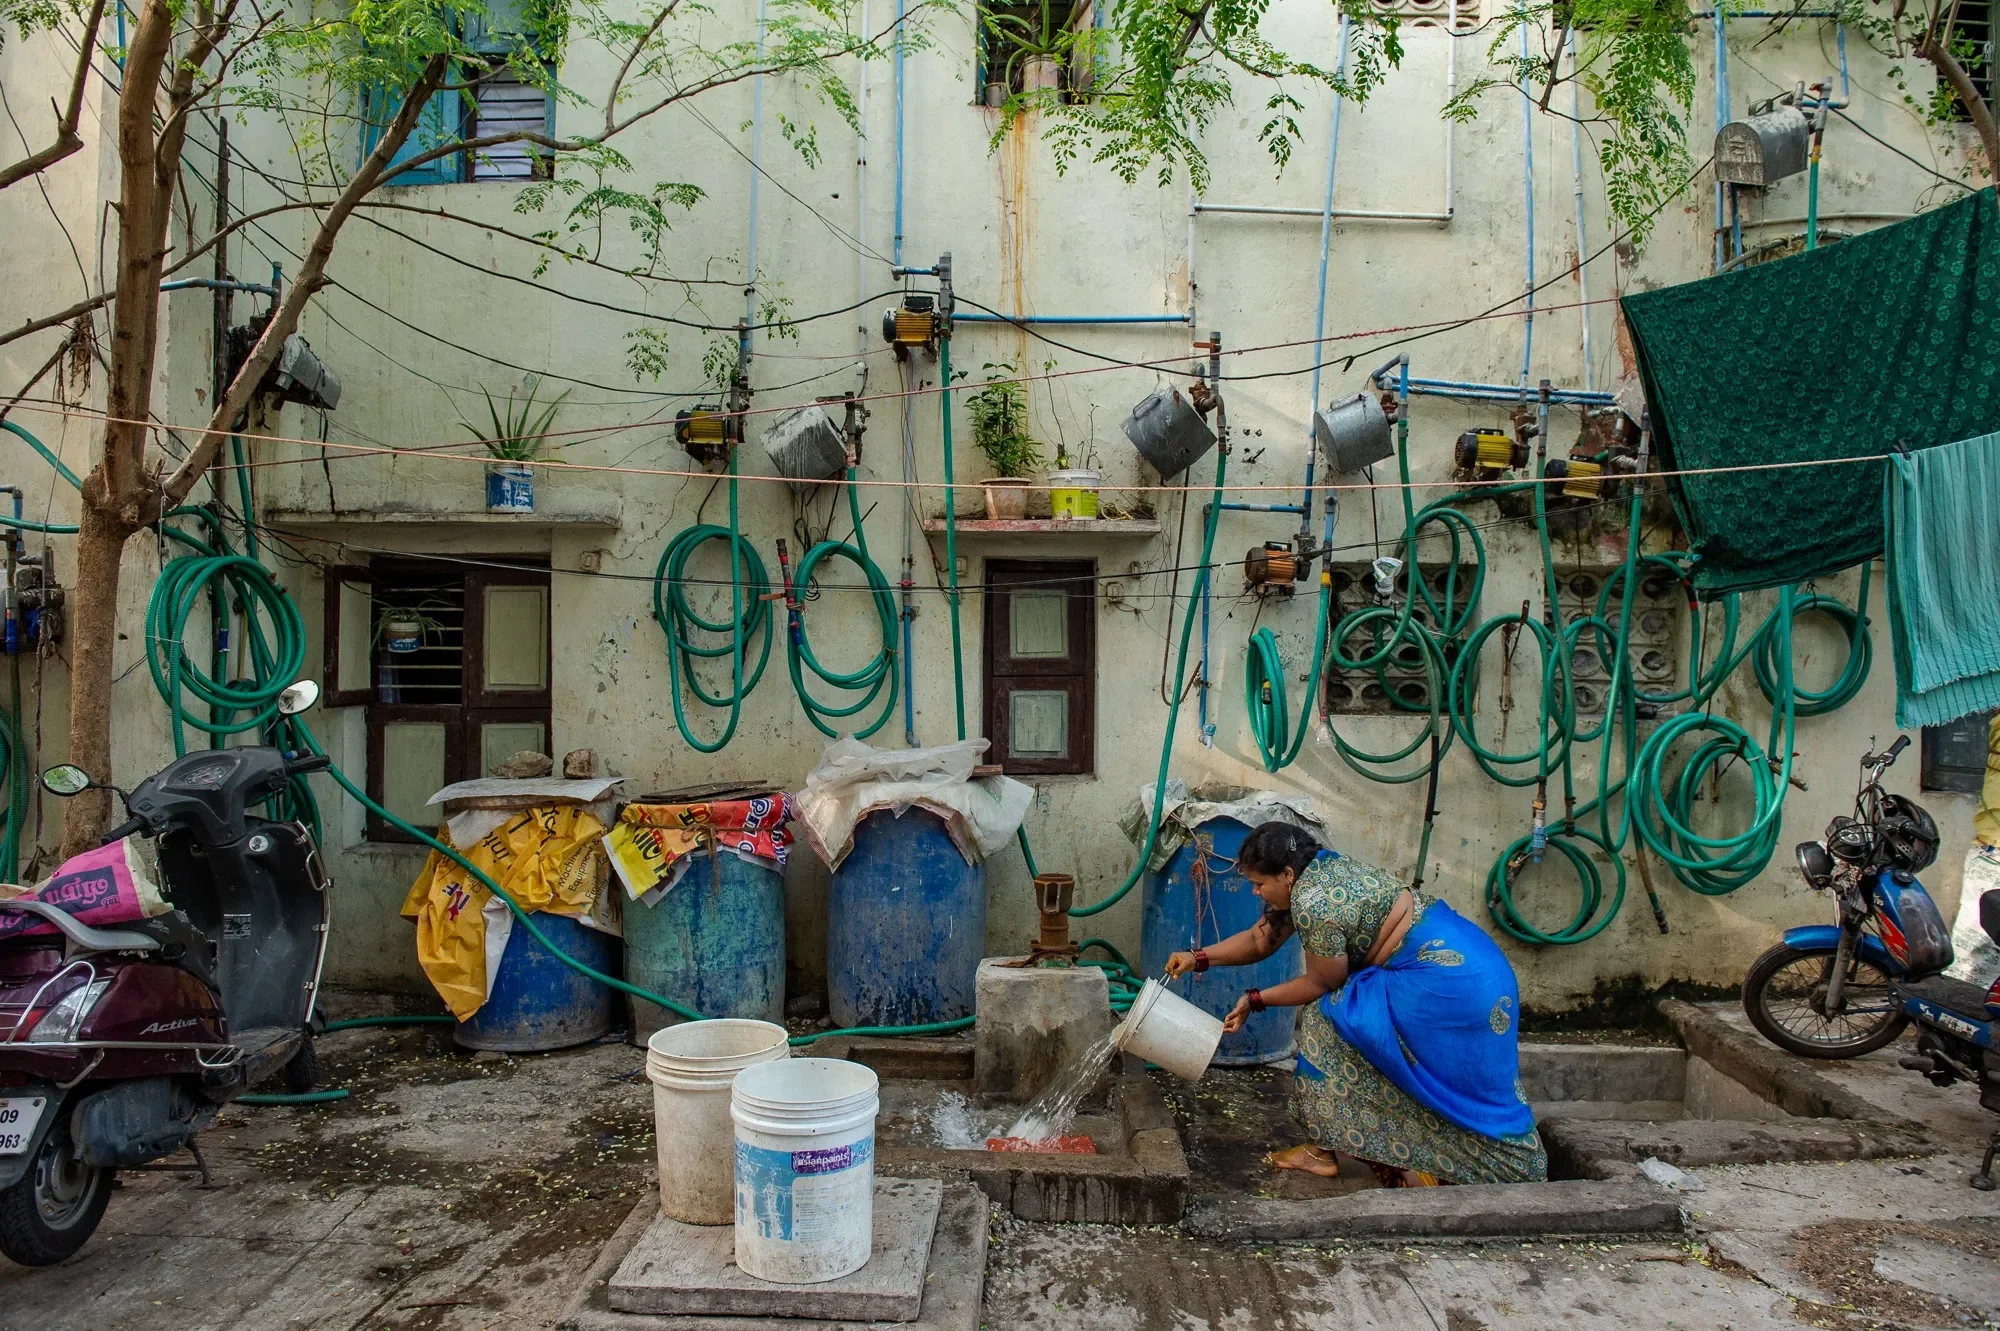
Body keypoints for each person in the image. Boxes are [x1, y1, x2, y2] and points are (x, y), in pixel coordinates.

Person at [1166, 822, 1546, 1187]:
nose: (1255, 892)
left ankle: (1327, 1154)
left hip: (1446, 981)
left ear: (1285, 876)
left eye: (1258, 884)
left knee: (1328, 1018)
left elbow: (1321, 982)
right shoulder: (1318, 868)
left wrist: (1254, 999)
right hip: (1478, 968)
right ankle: (1490, 1163)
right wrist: (1198, 957)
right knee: (1460, 1080)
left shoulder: (1314, 903)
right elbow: (1260, 939)